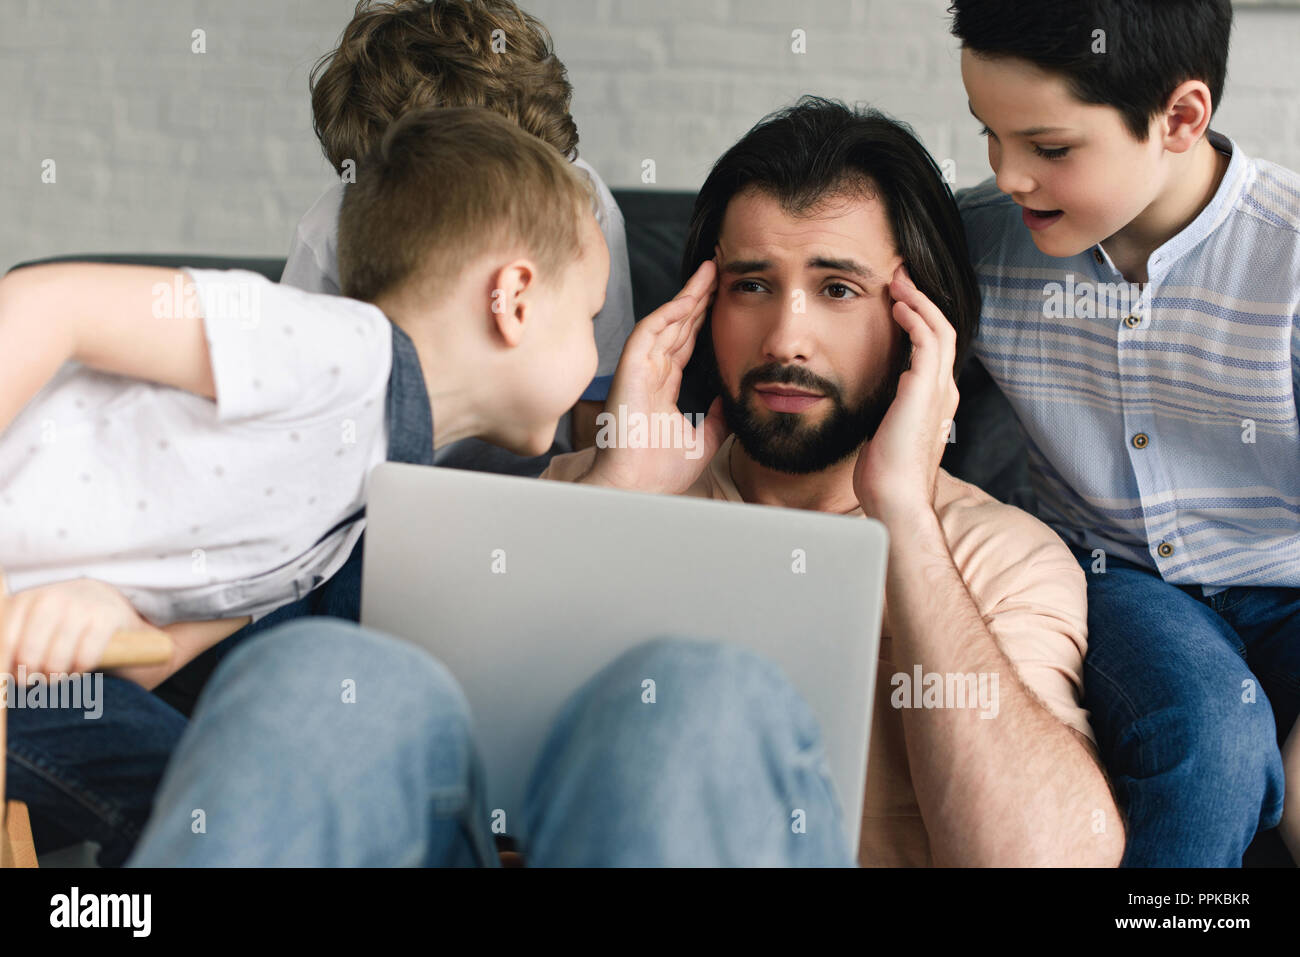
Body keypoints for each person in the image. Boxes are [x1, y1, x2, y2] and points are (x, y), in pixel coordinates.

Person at [127, 98, 1124, 868]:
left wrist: (901, 513)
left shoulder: (997, 558)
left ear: (920, 326)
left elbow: (1045, 861)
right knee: (310, 672)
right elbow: (412, 759)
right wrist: (618, 492)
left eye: (836, 289)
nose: (785, 337)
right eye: (750, 286)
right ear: (700, 305)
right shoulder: (588, 487)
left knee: (697, 697)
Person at [1, 106, 622, 865]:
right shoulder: (333, 351)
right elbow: (42, 303)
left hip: (21, 689)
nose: (598, 352)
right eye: (590, 315)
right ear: (514, 299)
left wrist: (99, 614)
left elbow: (146, 661)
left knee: (216, 797)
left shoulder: (347, 517)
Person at [950, 0, 1300, 865]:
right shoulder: (979, 244)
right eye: (990, 133)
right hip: (1121, 580)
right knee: (1210, 746)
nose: (1010, 175)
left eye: (1049, 148)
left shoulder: (1288, 257)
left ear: (1180, 118)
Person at [282, 0, 636, 476]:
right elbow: (300, 404)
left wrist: (597, 484)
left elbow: (599, 386)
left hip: (536, 473)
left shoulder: (584, 206)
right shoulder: (327, 233)